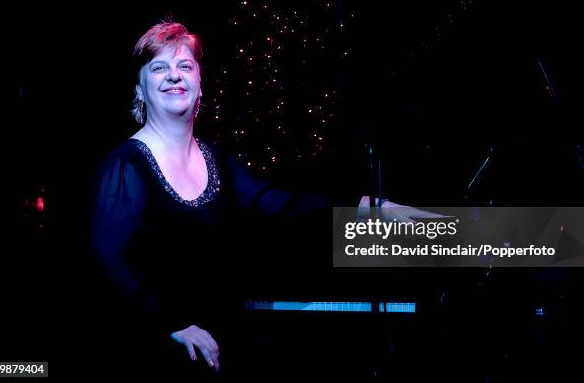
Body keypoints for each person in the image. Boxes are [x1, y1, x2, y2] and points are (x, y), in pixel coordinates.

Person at [90, 20, 440, 378]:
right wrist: (173, 324)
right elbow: (108, 264)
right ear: (140, 88)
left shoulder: (217, 160)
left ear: (200, 83)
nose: (174, 76)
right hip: (157, 354)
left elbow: (281, 206)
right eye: (159, 67)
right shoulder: (125, 166)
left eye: (185, 66)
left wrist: (367, 206)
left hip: (218, 348)